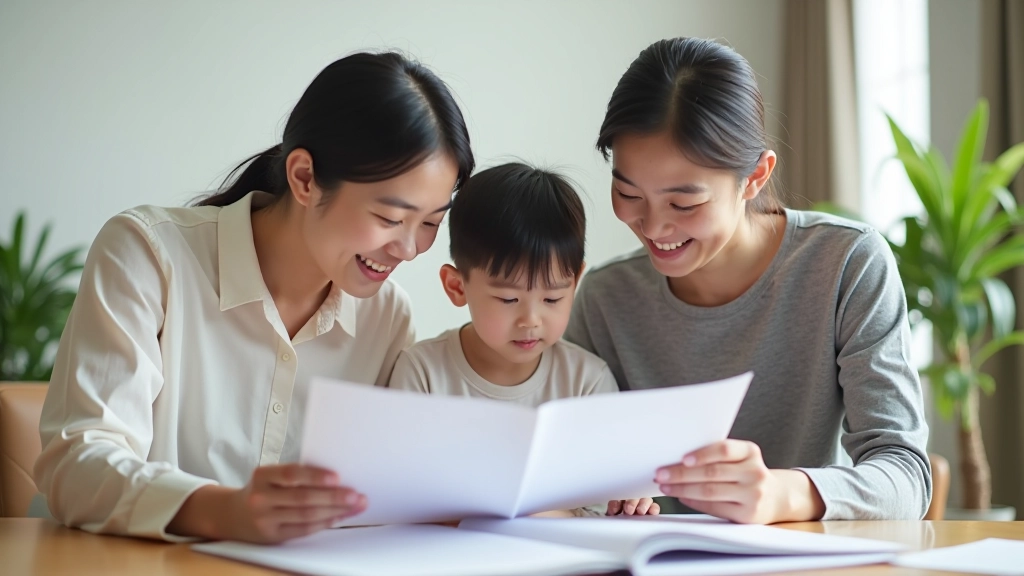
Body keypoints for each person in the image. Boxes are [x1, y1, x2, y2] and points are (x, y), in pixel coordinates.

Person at [34, 52, 475, 543]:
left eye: (432, 222)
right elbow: (77, 465)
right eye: (391, 219)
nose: (410, 248)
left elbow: (381, 494)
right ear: (305, 178)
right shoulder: (148, 254)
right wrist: (225, 512)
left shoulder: (387, 317)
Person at [565, 37, 932, 523]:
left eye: (684, 203)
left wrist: (783, 494)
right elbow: (576, 473)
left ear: (756, 176)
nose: (654, 227)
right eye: (628, 192)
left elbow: (906, 476)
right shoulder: (606, 300)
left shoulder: (845, 264)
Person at [388, 162, 658, 517]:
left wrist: (628, 506)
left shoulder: (587, 383)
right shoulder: (421, 373)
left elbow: (599, 512)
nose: (531, 320)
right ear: (457, 286)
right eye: (508, 300)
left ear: (575, 282)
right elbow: (399, 500)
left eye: (552, 299)